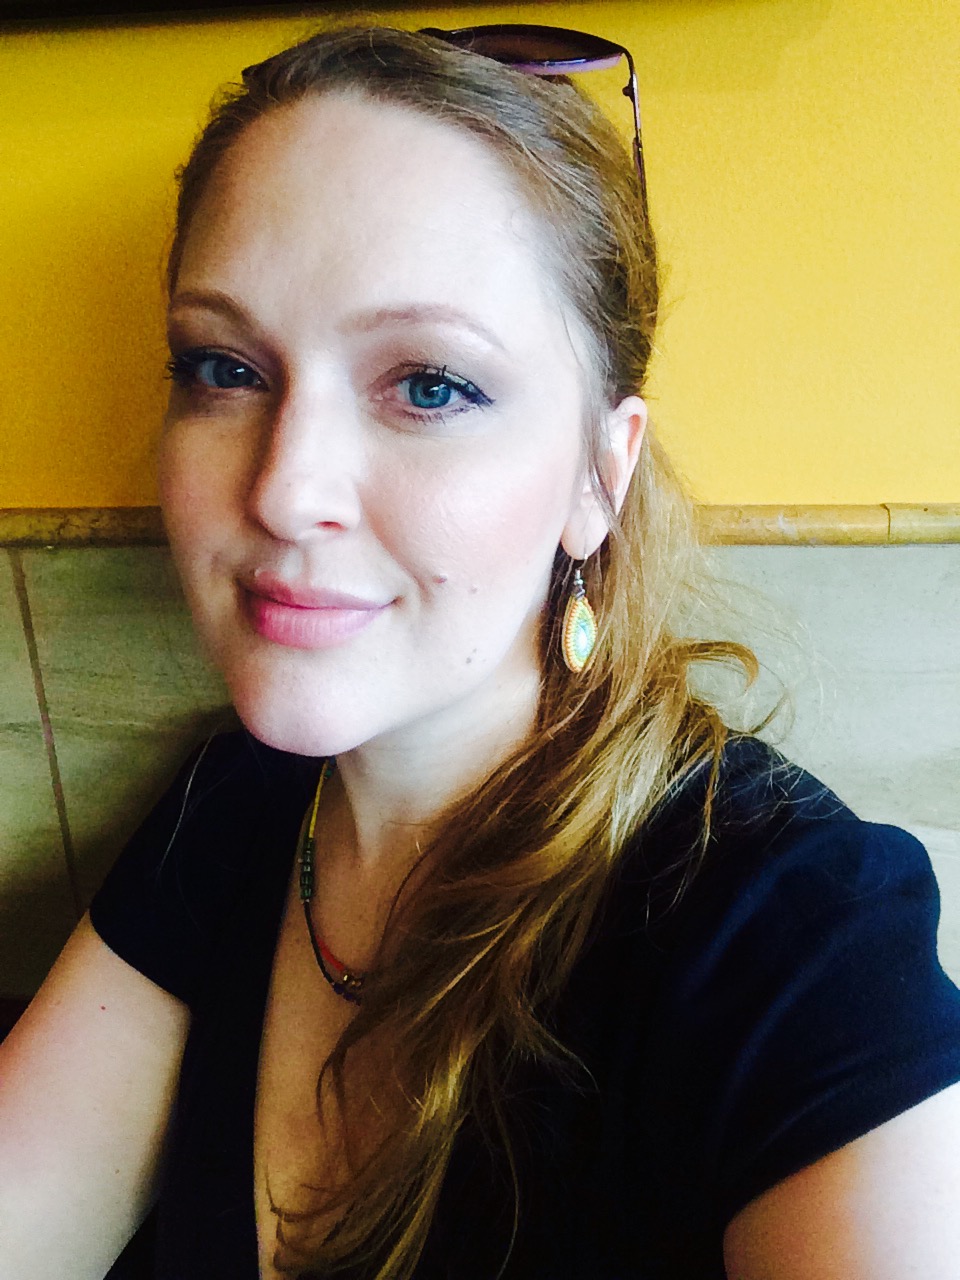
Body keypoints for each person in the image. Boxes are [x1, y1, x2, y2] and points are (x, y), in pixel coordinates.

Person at [2, 22, 960, 1280]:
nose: (285, 489)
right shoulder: (231, 811)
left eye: (430, 385)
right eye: (224, 367)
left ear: (600, 472)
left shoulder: (790, 937)